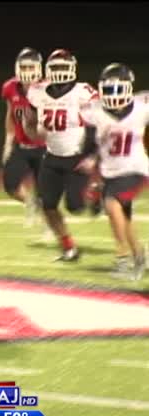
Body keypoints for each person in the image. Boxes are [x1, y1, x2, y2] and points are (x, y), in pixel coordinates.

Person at [24, 49, 98, 262]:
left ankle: (95, 192)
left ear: (73, 69)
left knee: (75, 207)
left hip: (76, 157)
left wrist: (91, 154)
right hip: (52, 156)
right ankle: (69, 248)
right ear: (48, 70)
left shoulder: (83, 91)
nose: (60, 71)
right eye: (55, 67)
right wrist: (31, 129)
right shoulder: (38, 91)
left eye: (64, 67)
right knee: (47, 205)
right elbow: (30, 120)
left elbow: (96, 123)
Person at [79, 64, 148, 280]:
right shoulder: (94, 111)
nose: (115, 96)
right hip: (111, 172)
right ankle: (139, 256)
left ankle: (123, 259)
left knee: (111, 203)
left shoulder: (142, 105)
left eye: (119, 90)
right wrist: (91, 159)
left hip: (135, 169)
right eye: (109, 90)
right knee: (123, 216)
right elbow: (90, 144)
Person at [1, 48, 48, 227]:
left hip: (44, 147)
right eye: (24, 67)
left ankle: (49, 228)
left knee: (44, 192)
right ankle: (30, 203)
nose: (27, 71)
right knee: (10, 185)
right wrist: (8, 141)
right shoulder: (10, 87)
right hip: (21, 146)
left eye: (31, 67)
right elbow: (10, 114)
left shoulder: (48, 88)